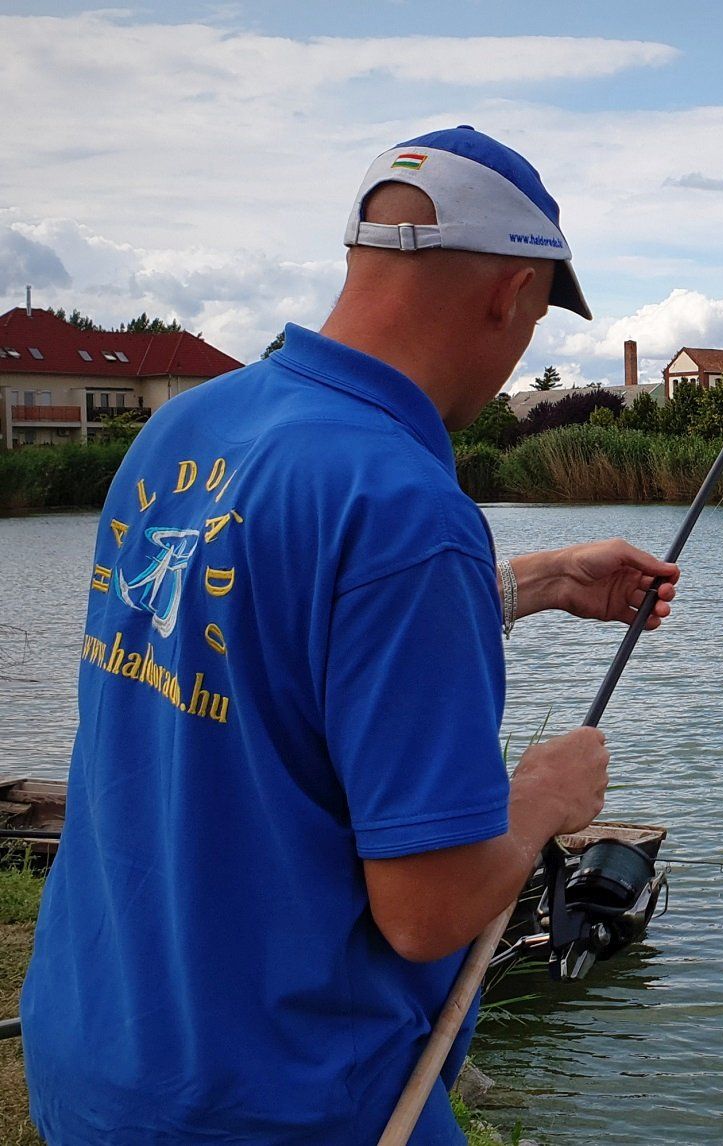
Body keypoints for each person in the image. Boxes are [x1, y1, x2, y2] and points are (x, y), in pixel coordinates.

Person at [22, 126, 678, 1144]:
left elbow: (251, 628)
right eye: (535, 319)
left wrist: (539, 582)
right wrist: (550, 794)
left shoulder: (188, 429)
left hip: (100, 1058)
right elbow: (428, 907)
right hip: (280, 1104)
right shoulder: (407, 507)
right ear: (509, 292)